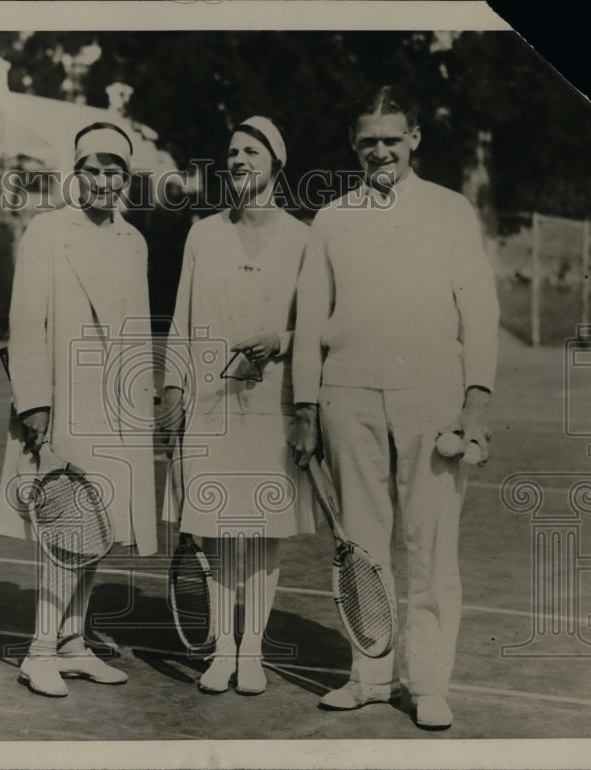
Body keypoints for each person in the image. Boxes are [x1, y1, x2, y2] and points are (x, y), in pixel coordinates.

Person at [289, 85, 500, 729]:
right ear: (354, 146)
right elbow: (308, 322)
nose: (380, 150)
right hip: (345, 394)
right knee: (360, 543)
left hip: (432, 396)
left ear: (414, 139)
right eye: (367, 141)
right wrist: (303, 408)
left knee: (433, 547)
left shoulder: (449, 209)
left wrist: (476, 402)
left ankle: (429, 683)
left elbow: (480, 310)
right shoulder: (331, 219)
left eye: (391, 138)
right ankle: (370, 674)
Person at [0, 122, 157, 697]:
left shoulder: (134, 240)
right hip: (64, 402)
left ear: (127, 178)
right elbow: (26, 324)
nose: (105, 180)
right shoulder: (46, 231)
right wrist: (35, 403)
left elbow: (135, 331)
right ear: (77, 173)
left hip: (118, 408)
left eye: (116, 170)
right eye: (94, 168)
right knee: (67, 526)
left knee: (101, 527)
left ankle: (72, 642)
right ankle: (39, 650)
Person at [161, 117, 315, 695]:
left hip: (270, 402)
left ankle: (252, 650)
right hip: (209, 402)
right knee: (221, 529)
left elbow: (316, 326)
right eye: (232, 152)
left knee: (263, 530)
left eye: (253, 150)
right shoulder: (202, 234)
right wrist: (173, 387)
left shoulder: (304, 238)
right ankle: (222, 650)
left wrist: (282, 341)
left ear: (276, 161)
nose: (239, 159)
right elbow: (181, 318)